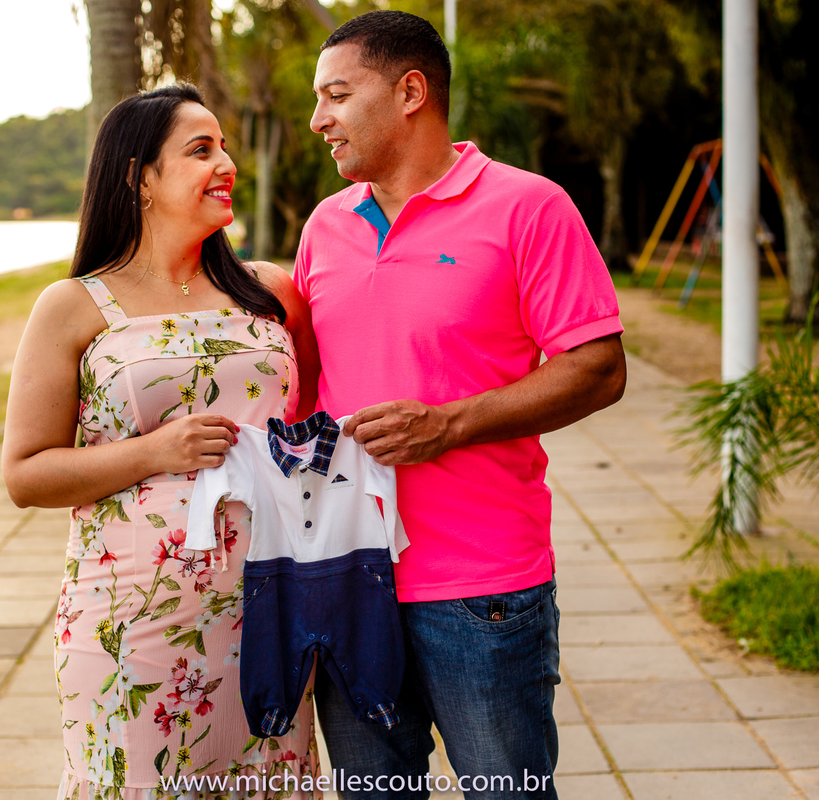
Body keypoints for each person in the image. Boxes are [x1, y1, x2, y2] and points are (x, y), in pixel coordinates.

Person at [294, 11, 627, 800]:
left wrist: (451, 425)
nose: (318, 120)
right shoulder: (325, 226)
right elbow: (304, 388)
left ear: (410, 91)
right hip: (349, 580)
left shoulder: (529, 208)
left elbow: (598, 366)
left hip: (483, 589)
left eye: (337, 95)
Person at [1, 84, 321, 800]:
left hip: (270, 610)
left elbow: (315, 421)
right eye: (201, 149)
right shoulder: (76, 305)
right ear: (139, 176)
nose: (225, 163)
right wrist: (157, 452)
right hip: (133, 619)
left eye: (226, 146)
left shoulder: (270, 293)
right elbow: (25, 475)